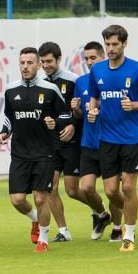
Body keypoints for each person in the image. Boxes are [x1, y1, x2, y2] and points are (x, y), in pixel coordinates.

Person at [86, 25, 138, 252]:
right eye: (107, 44)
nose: (110, 48)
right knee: (110, 191)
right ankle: (131, 216)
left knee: (128, 187)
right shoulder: (97, 70)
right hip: (107, 137)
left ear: (124, 44)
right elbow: (94, 97)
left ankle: (128, 234)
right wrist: (92, 110)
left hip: (132, 137)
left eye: (115, 44)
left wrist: (135, 105)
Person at [0, 47, 72, 252]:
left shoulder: (49, 89)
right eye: (22, 63)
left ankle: (44, 239)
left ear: (38, 65)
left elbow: (66, 116)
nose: (25, 67)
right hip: (20, 153)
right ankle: (35, 220)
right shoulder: (11, 90)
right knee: (17, 199)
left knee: (40, 197)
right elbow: (9, 118)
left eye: (30, 63)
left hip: (45, 153)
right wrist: (4, 132)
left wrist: (54, 122)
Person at [38, 41, 112, 242]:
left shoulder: (73, 81)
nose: (46, 65)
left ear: (59, 60)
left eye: (49, 61)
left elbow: (77, 112)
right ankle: (63, 230)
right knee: (51, 187)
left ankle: (101, 211)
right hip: (50, 145)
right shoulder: (40, 82)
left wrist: (71, 124)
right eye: (42, 61)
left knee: (72, 190)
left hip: (73, 143)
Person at [73, 41, 121, 241]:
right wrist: (76, 109)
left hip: (111, 142)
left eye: (93, 58)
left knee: (112, 191)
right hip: (89, 143)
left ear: (103, 57)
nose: (89, 62)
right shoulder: (81, 82)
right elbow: (78, 116)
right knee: (85, 188)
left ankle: (118, 228)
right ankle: (102, 215)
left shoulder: (113, 78)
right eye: (86, 59)